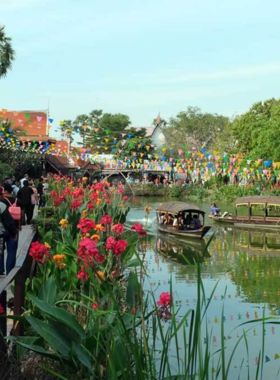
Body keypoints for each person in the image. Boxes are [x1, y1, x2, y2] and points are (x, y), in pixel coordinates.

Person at [0, 184, 24, 275]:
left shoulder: (2, 201)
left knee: (1, 250)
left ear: (5, 191)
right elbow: (21, 214)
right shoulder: (18, 201)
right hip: (13, 228)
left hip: (3, 230)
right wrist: (19, 226)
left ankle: (0, 269)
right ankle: (10, 273)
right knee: (12, 251)